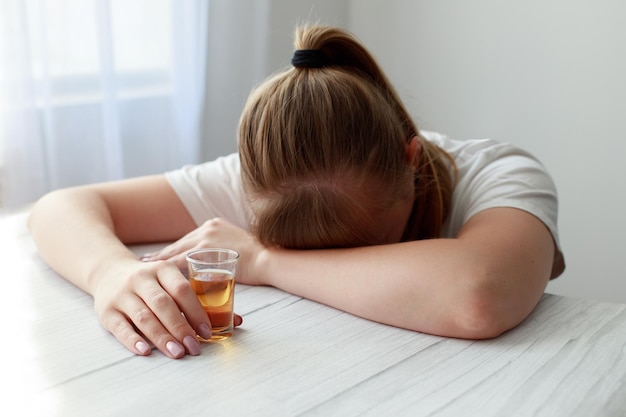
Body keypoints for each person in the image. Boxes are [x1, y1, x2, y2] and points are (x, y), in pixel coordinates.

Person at [28, 25, 565, 359]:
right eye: (304, 248)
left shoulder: (499, 173)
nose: (338, 263)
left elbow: (477, 296)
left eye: (363, 247)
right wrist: (109, 273)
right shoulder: (268, 177)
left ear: (412, 162)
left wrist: (265, 258)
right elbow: (60, 207)